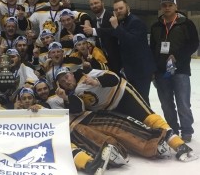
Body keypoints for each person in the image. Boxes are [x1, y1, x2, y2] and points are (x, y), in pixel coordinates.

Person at [54, 66, 198, 162]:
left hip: (124, 95)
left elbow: (115, 78)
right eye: (62, 81)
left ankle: (179, 145)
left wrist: (97, 81)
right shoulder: (73, 93)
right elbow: (79, 108)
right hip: (112, 109)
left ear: (72, 74)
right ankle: (157, 143)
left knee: (149, 118)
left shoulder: (88, 73)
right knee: (137, 127)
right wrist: (66, 98)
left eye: (67, 77)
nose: (66, 82)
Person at [150, 0, 199, 142]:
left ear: (175, 7)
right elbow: (152, 48)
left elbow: (193, 44)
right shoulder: (156, 26)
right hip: (161, 72)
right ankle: (173, 128)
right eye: (164, 5)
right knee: (166, 103)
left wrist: (177, 56)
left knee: (183, 102)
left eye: (170, 5)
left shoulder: (186, 24)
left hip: (180, 70)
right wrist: (153, 69)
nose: (167, 7)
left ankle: (187, 130)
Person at [109, 0, 156, 105]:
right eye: (116, 9)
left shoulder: (136, 22)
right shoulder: (123, 23)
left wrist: (116, 27)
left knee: (142, 101)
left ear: (128, 8)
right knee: (134, 101)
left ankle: (148, 122)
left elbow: (132, 41)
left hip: (141, 71)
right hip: (131, 71)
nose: (118, 11)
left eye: (121, 8)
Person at [86, 0, 122, 75]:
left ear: (102, 3)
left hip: (116, 59)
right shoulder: (93, 20)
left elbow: (114, 32)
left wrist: (94, 31)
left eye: (96, 3)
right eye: (91, 4)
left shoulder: (113, 16)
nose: (94, 6)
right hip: (102, 60)